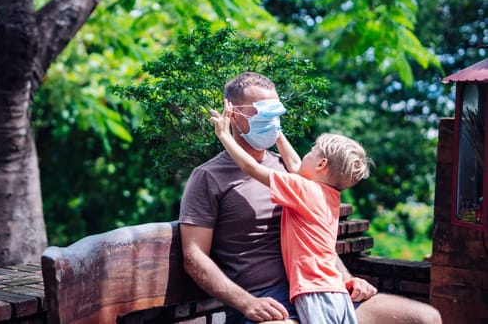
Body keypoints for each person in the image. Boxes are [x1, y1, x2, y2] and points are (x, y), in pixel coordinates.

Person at [179, 71, 442, 324]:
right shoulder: (208, 177)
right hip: (267, 302)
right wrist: (247, 303)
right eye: (263, 113)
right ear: (233, 115)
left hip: (320, 292)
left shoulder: (295, 173)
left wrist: (347, 278)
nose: (271, 121)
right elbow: (194, 256)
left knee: (425, 318)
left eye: (276, 113)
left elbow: (315, 238)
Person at [210, 95, 369, 324]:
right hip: (335, 291)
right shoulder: (327, 194)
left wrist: (224, 135)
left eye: (311, 151)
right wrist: (276, 132)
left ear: (321, 165)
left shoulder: (304, 190)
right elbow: (296, 166)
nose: (306, 153)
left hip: (315, 293)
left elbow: (250, 167)